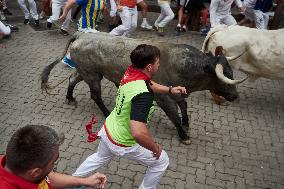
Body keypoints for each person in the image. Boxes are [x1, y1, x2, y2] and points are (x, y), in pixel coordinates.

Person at [71, 44, 187, 189]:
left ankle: (71, 183)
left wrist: (170, 89)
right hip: (122, 141)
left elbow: (149, 83)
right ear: (150, 67)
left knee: (99, 158)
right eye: (158, 62)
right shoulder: (143, 95)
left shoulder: (132, 71)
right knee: (161, 161)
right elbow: (138, 132)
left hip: (109, 129)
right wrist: (155, 148)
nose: (160, 64)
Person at [0, 125, 107, 188]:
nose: (54, 166)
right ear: (36, 172)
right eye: (53, 162)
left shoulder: (16, 165)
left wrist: (84, 181)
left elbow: (48, 178)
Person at [59, 0, 105, 68]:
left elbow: (100, 9)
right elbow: (71, 2)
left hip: (93, 27)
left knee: (88, 45)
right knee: (92, 43)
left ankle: (72, 60)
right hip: (84, 26)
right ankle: (68, 60)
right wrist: (64, 14)